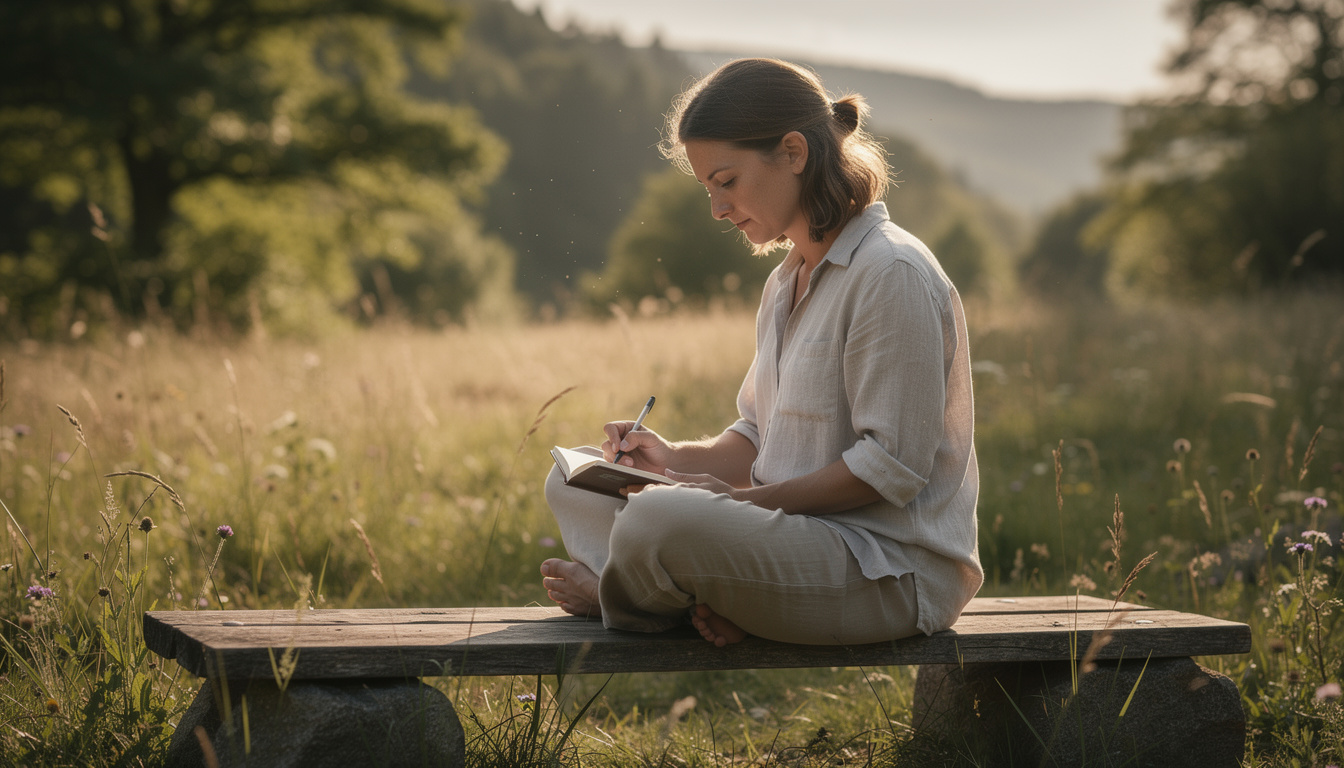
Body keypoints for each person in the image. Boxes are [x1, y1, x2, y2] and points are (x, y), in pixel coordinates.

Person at [540, 58, 981, 647]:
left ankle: (620, 598)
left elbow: (888, 470)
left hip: (885, 570)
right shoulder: (785, 281)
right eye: (708, 189)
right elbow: (755, 437)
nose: (717, 209)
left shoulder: (890, 272)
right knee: (571, 482)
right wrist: (671, 460)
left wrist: (738, 502)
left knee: (657, 519)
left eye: (727, 181)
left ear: (794, 152)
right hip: (789, 540)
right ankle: (697, 598)